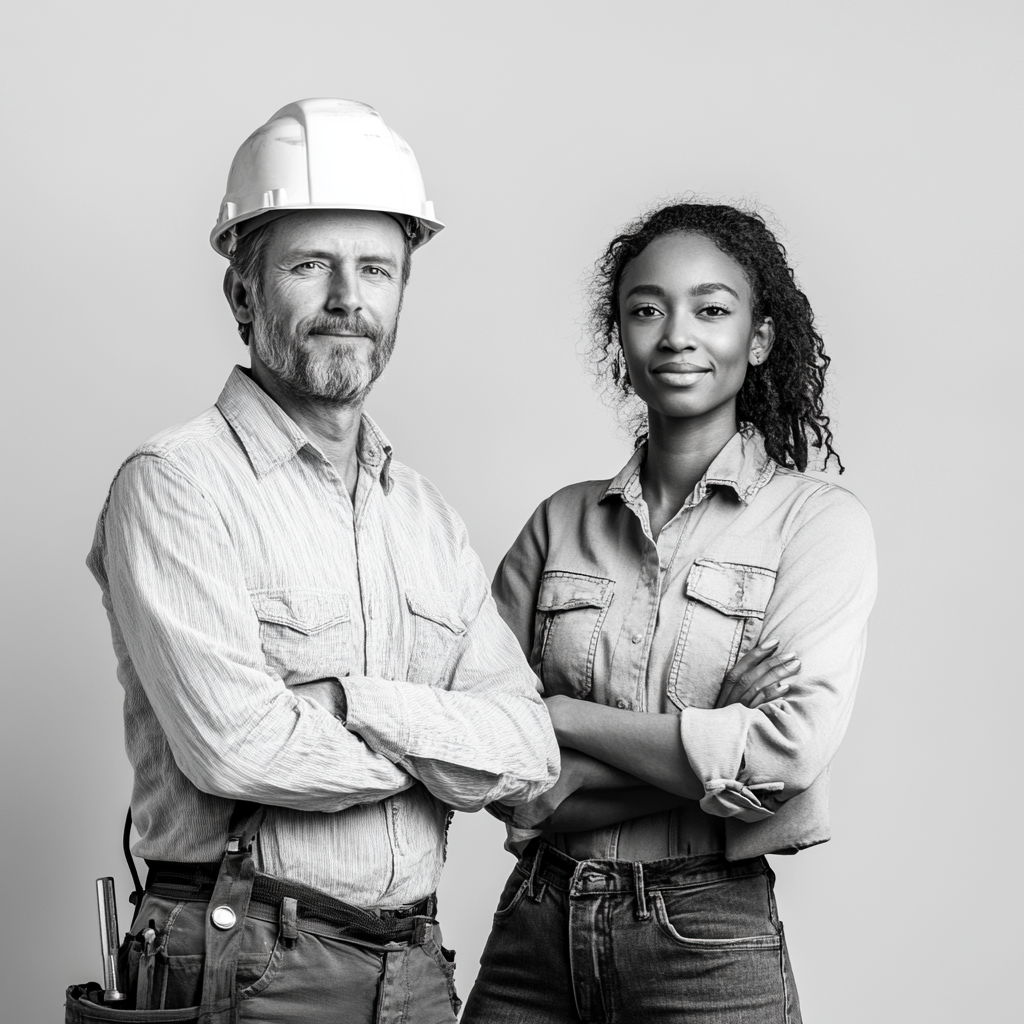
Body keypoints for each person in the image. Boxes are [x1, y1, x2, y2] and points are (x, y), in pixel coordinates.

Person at [85, 98, 560, 1024]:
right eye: (310, 265)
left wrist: (349, 706)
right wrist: (439, 750)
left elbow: (530, 749)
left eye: (375, 268)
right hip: (248, 962)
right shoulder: (175, 484)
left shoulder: (422, 515)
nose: (349, 298)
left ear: (399, 296)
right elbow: (239, 747)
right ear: (243, 294)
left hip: (416, 971)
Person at [462, 201, 877, 1024]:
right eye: (646, 309)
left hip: (709, 937)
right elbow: (486, 758)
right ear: (620, 336)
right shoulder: (559, 522)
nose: (677, 334)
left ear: (757, 340)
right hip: (535, 928)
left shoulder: (819, 525)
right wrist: (717, 747)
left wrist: (565, 719)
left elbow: (786, 755)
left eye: (712, 309)